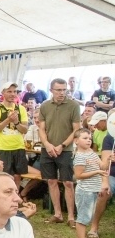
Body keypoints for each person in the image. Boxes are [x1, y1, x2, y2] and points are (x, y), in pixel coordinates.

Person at [38, 78, 80, 226]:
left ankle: (70, 217)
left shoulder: (73, 105)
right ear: (51, 90)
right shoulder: (44, 106)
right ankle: (57, 214)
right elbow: (41, 129)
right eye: (58, 90)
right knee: (51, 181)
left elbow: (76, 130)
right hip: (47, 149)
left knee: (68, 182)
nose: (62, 93)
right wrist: (47, 145)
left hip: (66, 149)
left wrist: (62, 145)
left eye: (64, 90)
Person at [72, 129, 107, 238]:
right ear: (76, 141)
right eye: (85, 138)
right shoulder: (80, 157)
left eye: (90, 138)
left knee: (88, 216)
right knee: (83, 217)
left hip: (93, 190)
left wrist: (108, 160)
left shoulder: (91, 152)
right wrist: (97, 172)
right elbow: (79, 175)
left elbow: (102, 166)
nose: (88, 140)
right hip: (84, 191)